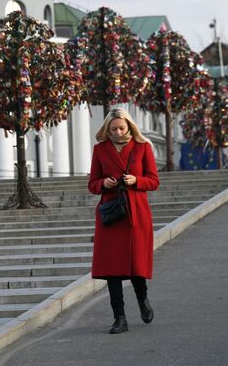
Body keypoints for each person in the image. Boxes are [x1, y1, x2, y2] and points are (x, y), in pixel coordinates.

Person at [88, 108, 160, 334]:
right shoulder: (100, 150)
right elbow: (92, 184)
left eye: (121, 127)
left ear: (129, 126)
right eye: (113, 129)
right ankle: (119, 318)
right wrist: (103, 184)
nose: (118, 132)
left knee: (136, 266)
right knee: (112, 271)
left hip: (136, 214)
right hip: (111, 215)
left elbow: (154, 180)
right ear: (107, 129)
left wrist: (136, 180)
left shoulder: (143, 147)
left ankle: (142, 298)